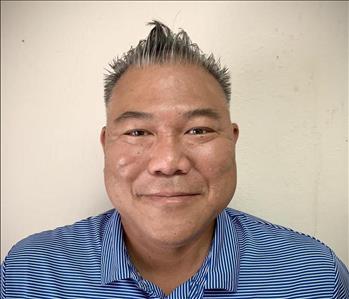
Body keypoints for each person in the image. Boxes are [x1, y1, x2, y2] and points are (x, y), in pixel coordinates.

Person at [1, 20, 348, 299]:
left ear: (232, 140)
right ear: (107, 145)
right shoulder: (33, 273)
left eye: (198, 130)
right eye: (138, 132)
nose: (168, 162)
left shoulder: (313, 276)